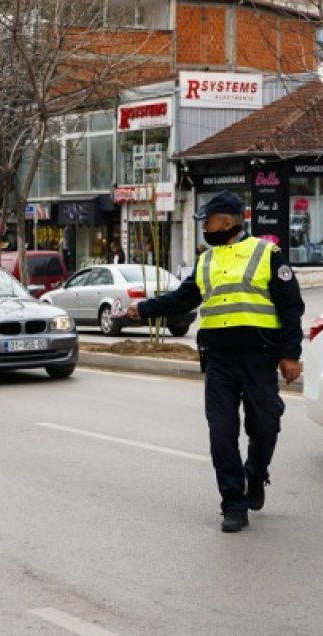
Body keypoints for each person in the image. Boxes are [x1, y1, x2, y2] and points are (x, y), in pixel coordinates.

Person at [125, 190, 304, 533]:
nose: (204, 226)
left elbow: (291, 307)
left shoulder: (268, 253)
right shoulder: (207, 260)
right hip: (219, 360)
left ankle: (256, 473)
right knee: (221, 435)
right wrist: (143, 308)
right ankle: (233, 504)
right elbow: (184, 297)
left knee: (265, 426)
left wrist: (290, 354)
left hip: (259, 357)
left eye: (207, 220)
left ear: (226, 221)